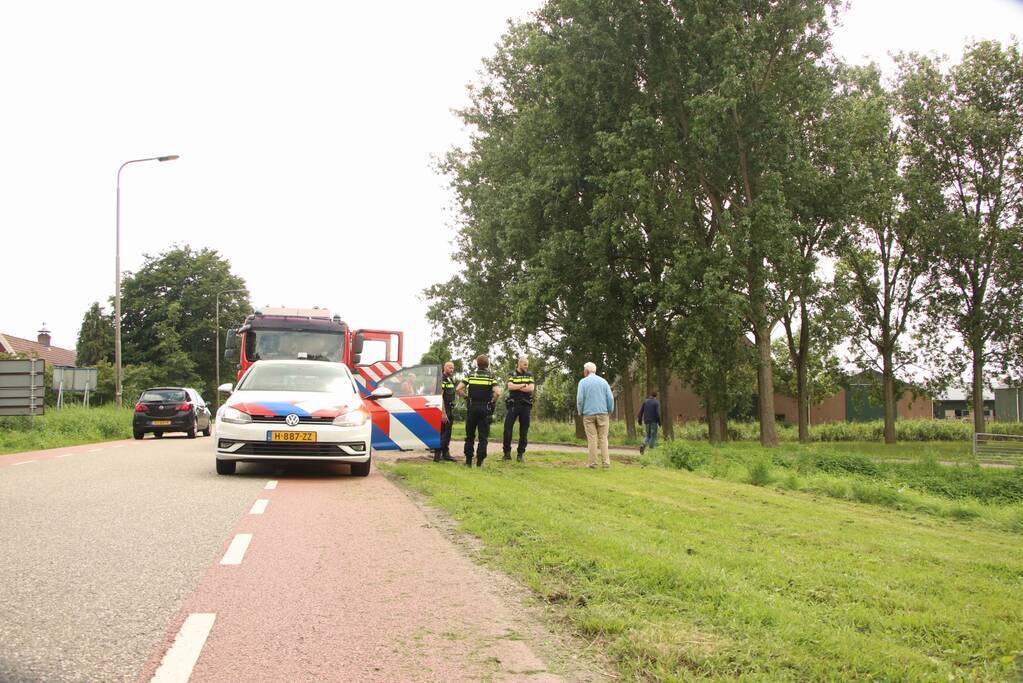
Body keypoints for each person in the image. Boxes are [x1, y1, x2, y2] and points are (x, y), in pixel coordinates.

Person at [456, 355, 500, 467]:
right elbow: (498, 392)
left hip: (472, 407)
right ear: (488, 364)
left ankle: (468, 461)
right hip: (484, 408)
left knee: (470, 435)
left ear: (477, 364)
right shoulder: (491, 377)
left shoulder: (471, 376)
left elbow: (458, 389)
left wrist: (466, 397)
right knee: (483, 436)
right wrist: (492, 401)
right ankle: (480, 462)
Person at [576, 362, 614, 468]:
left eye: (584, 370)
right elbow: (610, 398)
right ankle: (606, 463)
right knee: (603, 438)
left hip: (588, 414)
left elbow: (580, 399)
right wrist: (610, 410)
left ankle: (593, 463)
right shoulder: (603, 382)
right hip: (603, 413)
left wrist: (580, 411)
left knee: (592, 438)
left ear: (587, 371)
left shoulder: (583, 382)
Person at [502, 355, 535, 462]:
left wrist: (518, 386)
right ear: (519, 364)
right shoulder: (512, 374)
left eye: (527, 365)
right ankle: (507, 454)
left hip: (525, 406)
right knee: (507, 429)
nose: (526, 367)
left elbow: (531, 389)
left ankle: (520, 455)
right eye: (525, 365)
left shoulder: (529, 375)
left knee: (524, 431)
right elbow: (510, 386)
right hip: (513, 405)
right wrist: (523, 385)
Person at [435, 361, 458, 463]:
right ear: (444, 368)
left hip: (450, 408)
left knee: (448, 433)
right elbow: (440, 397)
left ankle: (446, 454)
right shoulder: (442, 379)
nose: (451, 369)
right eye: (449, 367)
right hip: (444, 409)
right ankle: (437, 456)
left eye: (452, 368)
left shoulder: (450, 379)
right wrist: (443, 413)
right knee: (443, 433)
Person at [637, 390, 661, 455]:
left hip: (646, 422)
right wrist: (659, 422)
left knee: (648, 435)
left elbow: (641, 411)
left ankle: (643, 445)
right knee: (653, 436)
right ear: (656, 396)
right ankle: (651, 451)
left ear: (650, 395)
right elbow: (657, 413)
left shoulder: (645, 402)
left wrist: (639, 420)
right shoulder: (656, 402)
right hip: (653, 422)